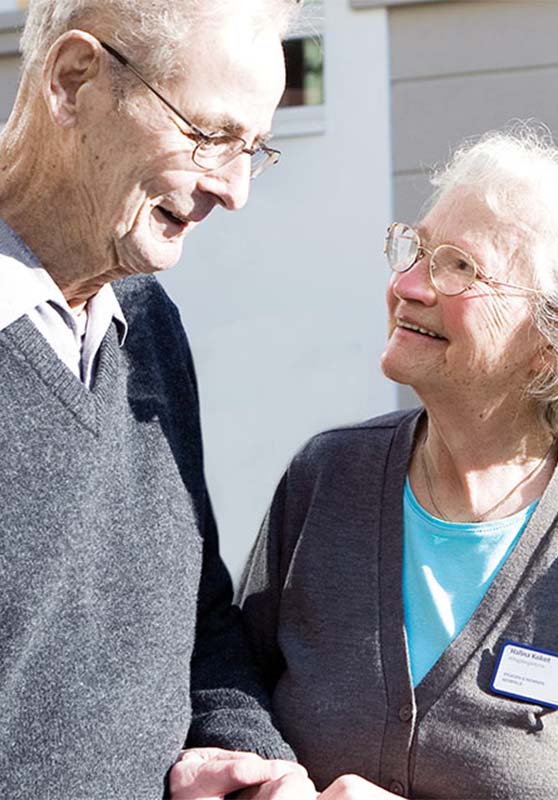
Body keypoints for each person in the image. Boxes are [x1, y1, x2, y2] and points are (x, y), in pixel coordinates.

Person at [237, 129, 558, 798]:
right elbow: (231, 684)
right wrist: (264, 770)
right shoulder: (328, 479)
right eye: (415, 251)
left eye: (459, 268)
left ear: (553, 345)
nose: (407, 285)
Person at [0, 1, 314, 797]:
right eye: (210, 135)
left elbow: (197, 614)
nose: (236, 190)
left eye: (253, 149)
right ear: (75, 82)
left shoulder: (146, 324)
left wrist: (249, 763)